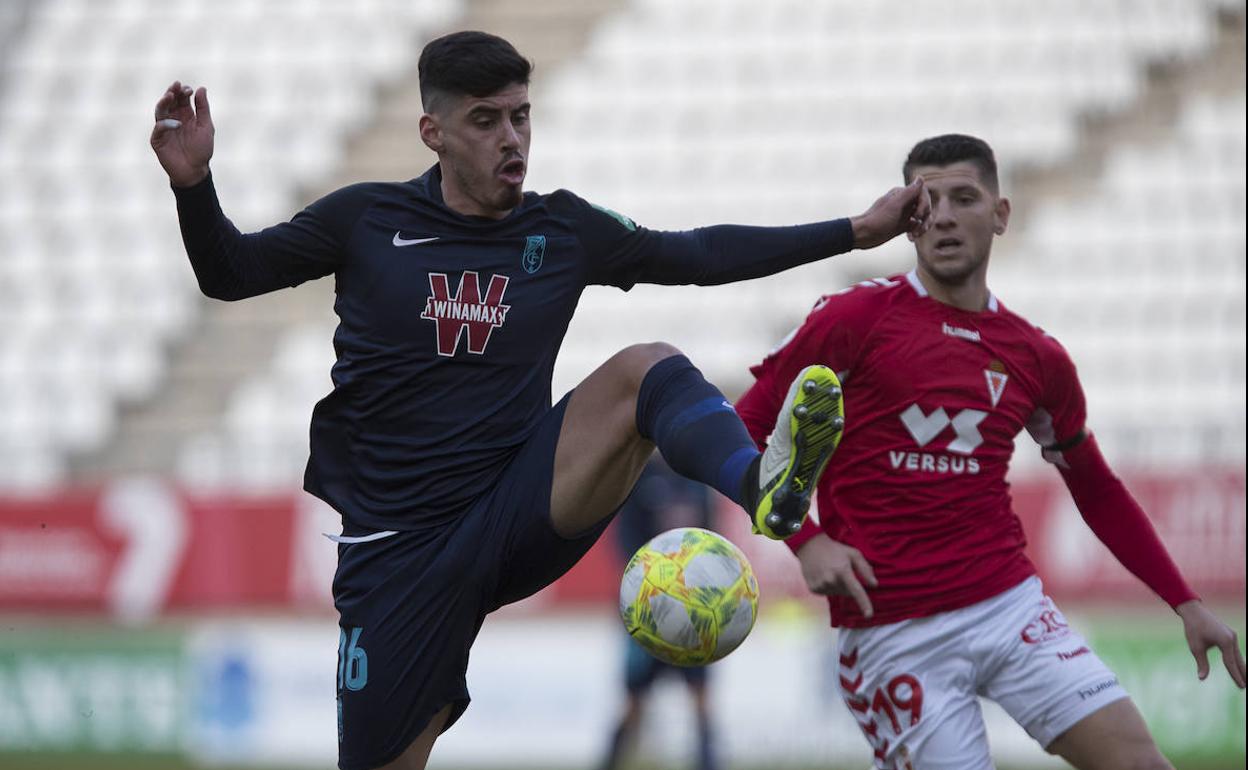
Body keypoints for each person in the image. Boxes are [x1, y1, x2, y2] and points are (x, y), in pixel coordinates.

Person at [149, 30, 931, 770]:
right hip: (397, 553)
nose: (511, 138)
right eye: (485, 120)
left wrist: (855, 231)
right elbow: (232, 274)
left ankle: (763, 487)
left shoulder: (563, 230)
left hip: (517, 504)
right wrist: (194, 186)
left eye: (521, 116)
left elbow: (698, 254)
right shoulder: (367, 220)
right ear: (433, 132)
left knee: (646, 368)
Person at [734, 133, 1247, 770]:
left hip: (1009, 607)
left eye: (964, 198)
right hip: (892, 632)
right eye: (926, 202)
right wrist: (805, 539)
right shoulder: (855, 318)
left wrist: (1185, 602)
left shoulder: (1037, 356)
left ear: (1000, 214)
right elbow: (741, 429)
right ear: (906, 221)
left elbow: (1094, 486)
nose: (944, 215)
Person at [599, 454, 721, 770]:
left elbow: (709, 539)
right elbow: (626, 546)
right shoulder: (638, 482)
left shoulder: (697, 482)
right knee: (633, 700)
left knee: (701, 697)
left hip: (692, 613)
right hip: (646, 611)